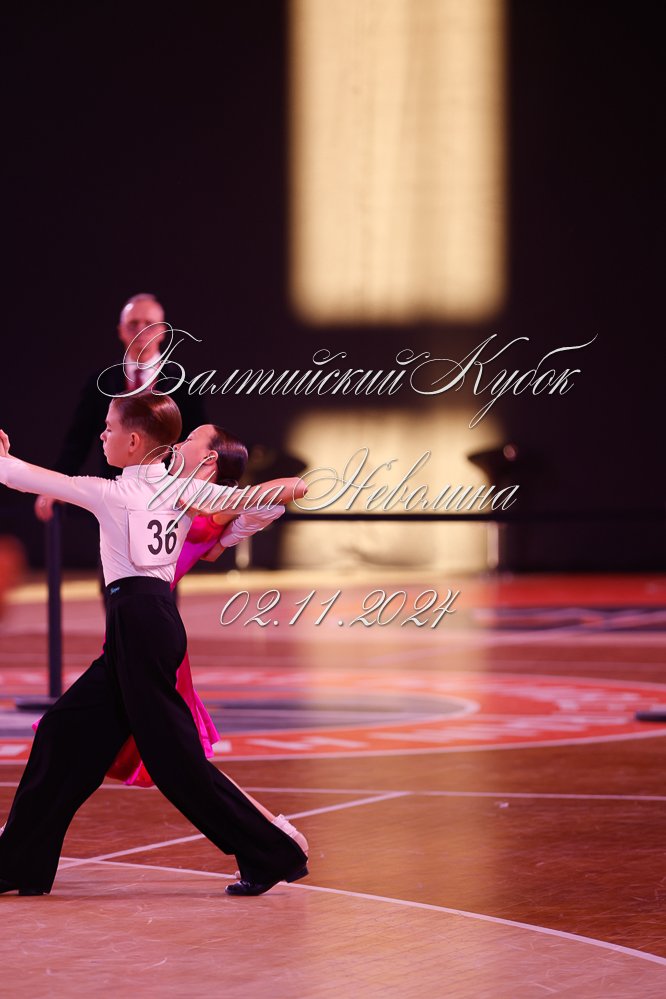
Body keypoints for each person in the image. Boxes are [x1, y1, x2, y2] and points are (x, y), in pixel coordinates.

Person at [0, 396, 309, 897]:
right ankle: (17, 864)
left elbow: (22, 477)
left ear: (133, 440)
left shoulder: (109, 492)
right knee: (61, 732)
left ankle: (273, 852)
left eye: (108, 428)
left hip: (142, 625)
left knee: (175, 763)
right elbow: (283, 491)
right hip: (146, 626)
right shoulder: (183, 491)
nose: (102, 435)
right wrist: (269, 494)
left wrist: (3, 458)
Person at [104, 423, 308, 856]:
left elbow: (293, 489)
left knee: (183, 763)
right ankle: (274, 835)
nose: (177, 444)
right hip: (134, 626)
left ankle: (274, 834)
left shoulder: (212, 505)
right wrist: (228, 533)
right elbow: (213, 546)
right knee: (97, 742)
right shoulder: (171, 491)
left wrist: (233, 522)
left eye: (189, 439)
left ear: (210, 458)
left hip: (150, 633)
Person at [34, 292, 208, 522]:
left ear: (163, 331)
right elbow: (77, 443)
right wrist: (55, 485)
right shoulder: (101, 382)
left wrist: (194, 489)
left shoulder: (184, 384)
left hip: (168, 500)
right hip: (113, 499)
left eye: (149, 324)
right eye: (133, 323)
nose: (141, 330)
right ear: (121, 330)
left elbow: (197, 441)